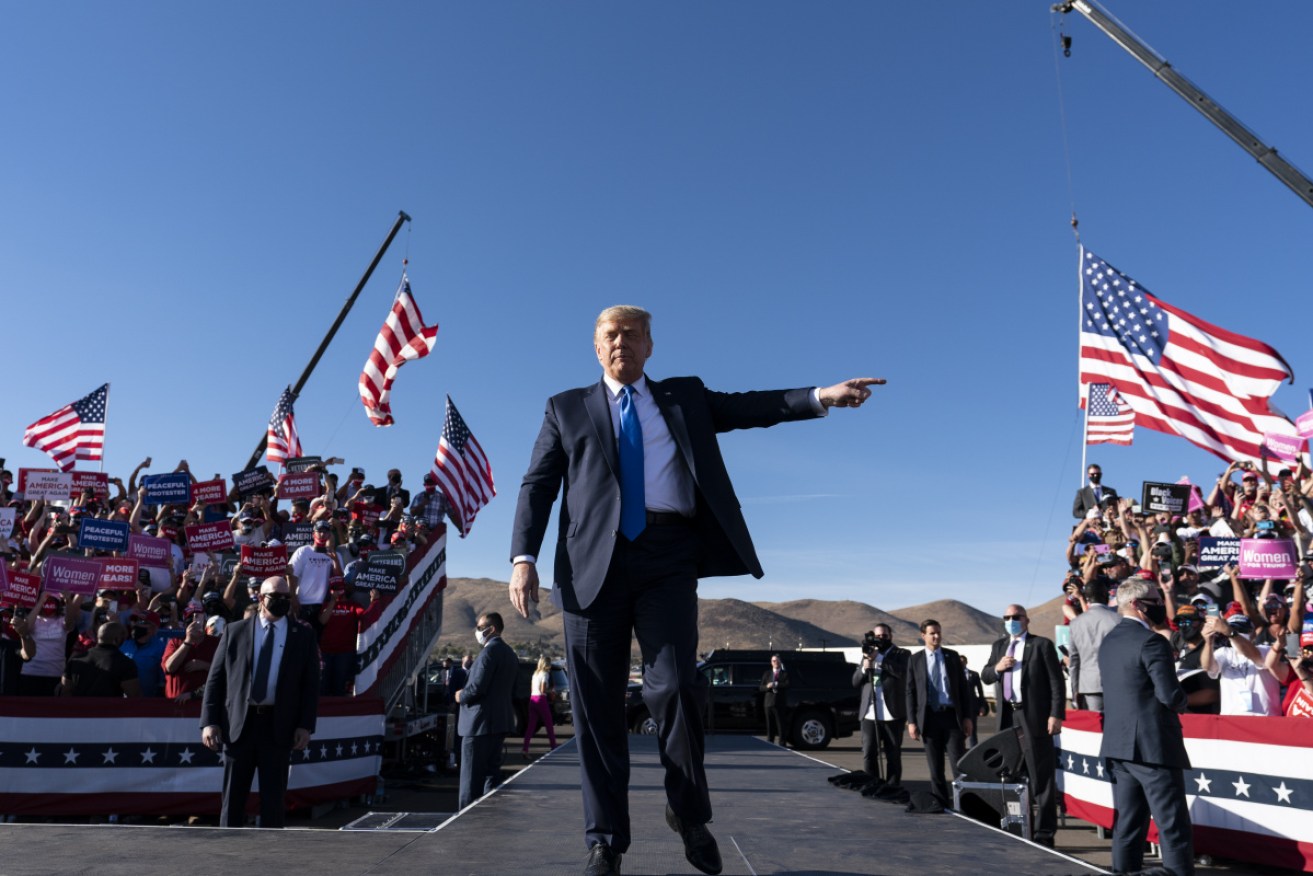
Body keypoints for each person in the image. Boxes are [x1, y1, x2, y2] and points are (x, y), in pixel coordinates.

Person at [508, 304, 882, 876]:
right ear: (595, 346)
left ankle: (688, 814)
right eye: (610, 335)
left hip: (668, 557)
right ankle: (605, 838)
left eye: (633, 334)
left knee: (677, 686)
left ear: (650, 346)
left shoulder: (682, 397)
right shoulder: (566, 408)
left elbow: (753, 408)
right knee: (597, 709)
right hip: (590, 569)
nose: (621, 343)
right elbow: (538, 485)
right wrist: (523, 557)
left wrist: (820, 396)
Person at [200, 576, 320, 828]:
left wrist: (305, 725)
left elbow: (310, 686)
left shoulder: (303, 635)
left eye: (286, 597)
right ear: (260, 598)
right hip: (239, 725)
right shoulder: (235, 631)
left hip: (278, 726)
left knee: (274, 799)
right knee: (233, 797)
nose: (282, 602)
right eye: (276, 597)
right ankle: (227, 851)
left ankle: (270, 854)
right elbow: (216, 680)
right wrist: (209, 722)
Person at [1097, 578, 1193, 876]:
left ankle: (1122, 872)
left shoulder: (1109, 641)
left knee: (1129, 823)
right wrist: (1186, 701)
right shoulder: (1152, 641)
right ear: (1137, 605)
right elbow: (1168, 694)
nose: (1160, 604)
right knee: (1172, 825)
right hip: (1154, 746)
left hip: (1119, 745)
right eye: (1154, 598)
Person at [980, 604, 1065, 848]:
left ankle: (1045, 833)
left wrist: (1055, 714)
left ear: (1026, 620)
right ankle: (1017, 827)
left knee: (1041, 777)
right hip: (1008, 717)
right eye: (1006, 617)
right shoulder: (999, 646)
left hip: (1034, 717)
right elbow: (985, 675)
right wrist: (998, 668)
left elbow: (1056, 683)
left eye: (1015, 617)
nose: (1010, 621)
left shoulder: (1041, 645)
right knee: (1010, 775)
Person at [904, 619, 973, 805]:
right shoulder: (915, 660)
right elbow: (910, 691)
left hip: (952, 718)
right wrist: (912, 721)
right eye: (932, 633)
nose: (936, 636)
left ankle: (964, 804)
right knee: (935, 768)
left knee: (959, 765)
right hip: (929, 718)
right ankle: (941, 804)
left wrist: (967, 717)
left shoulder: (952, 657)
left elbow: (963, 689)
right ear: (923, 635)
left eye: (939, 633)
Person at [455, 612, 517, 809]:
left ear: (491, 629)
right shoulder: (510, 654)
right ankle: (488, 818)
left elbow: (476, 688)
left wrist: (460, 696)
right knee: (491, 777)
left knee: (470, 781)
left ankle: (464, 822)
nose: (478, 632)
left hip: (478, 725)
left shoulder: (488, 653)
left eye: (480, 628)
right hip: (499, 723)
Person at [852, 624, 909, 787]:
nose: (881, 639)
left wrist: (880, 658)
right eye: (878, 636)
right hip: (869, 712)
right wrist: (864, 668)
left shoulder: (901, 654)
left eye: (885, 635)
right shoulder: (867, 655)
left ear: (891, 636)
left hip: (892, 712)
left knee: (893, 754)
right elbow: (855, 681)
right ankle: (872, 784)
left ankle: (892, 786)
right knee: (869, 753)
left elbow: (902, 672)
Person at [1067, 579, 1120, 711]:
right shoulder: (1118, 619)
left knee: (1097, 726)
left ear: (1086, 598)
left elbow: (1074, 660)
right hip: (1117, 682)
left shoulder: (1076, 623)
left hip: (1089, 685)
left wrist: (1075, 690)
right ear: (1106, 595)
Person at [61, 622, 141, 697]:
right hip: (110, 710)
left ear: (98, 637)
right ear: (117, 639)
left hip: (81, 710)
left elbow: (65, 691)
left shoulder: (76, 660)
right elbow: (133, 694)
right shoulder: (125, 663)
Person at [522, 654, 559, 757]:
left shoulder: (535, 674)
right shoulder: (545, 674)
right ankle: (553, 747)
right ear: (546, 664)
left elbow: (533, 689)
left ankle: (525, 749)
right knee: (549, 724)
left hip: (532, 699)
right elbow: (543, 690)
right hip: (541, 700)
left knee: (531, 726)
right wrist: (551, 690)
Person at [758, 654, 790, 746]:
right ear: (771, 663)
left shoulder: (784, 674)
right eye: (773, 661)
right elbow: (761, 687)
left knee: (780, 724)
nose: (775, 662)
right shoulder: (767, 673)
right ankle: (770, 743)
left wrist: (776, 684)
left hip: (779, 702)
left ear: (780, 662)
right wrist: (767, 686)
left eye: (777, 661)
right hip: (768, 703)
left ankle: (782, 743)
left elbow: (787, 685)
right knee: (769, 725)